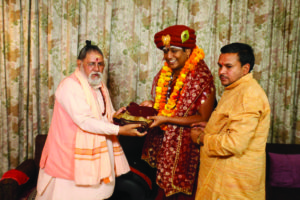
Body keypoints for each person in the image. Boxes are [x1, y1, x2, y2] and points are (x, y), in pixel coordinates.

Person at [35, 41, 146, 200]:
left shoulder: (99, 85)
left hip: (99, 152)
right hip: (70, 155)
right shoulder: (70, 86)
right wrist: (119, 130)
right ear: (79, 64)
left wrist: (117, 115)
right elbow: (84, 121)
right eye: (91, 64)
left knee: (96, 195)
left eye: (100, 64)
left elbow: (103, 114)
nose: (96, 68)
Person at [140, 25, 216, 200]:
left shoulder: (201, 77)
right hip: (163, 146)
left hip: (187, 150)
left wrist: (166, 118)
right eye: (165, 51)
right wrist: (151, 105)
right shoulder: (167, 72)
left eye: (174, 51)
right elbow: (166, 105)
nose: (168, 56)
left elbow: (204, 118)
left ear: (188, 51)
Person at [191, 43, 270, 200]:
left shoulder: (248, 95)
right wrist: (212, 127)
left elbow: (234, 143)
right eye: (220, 66)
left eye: (228, 66)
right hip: (221, 179)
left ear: (245, 69)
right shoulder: (236, 88)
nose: (221, 72)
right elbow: (235, 125)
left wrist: (201, 138)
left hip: (233, 186)